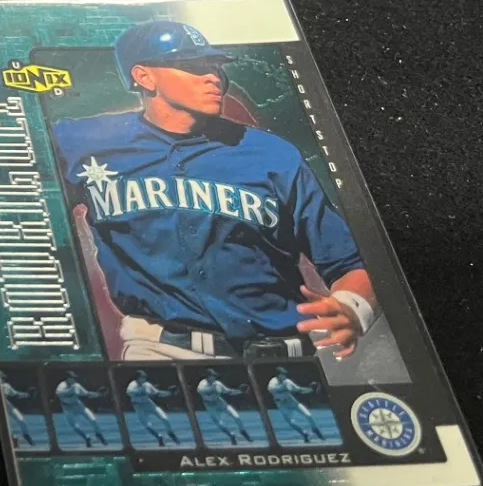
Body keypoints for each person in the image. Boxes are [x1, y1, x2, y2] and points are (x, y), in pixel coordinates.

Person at [52, 19, 379, 363]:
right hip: (162, 350)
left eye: (215, 66)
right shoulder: (82, 141)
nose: (213, 77)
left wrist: (352, 306)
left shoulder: (272, 154)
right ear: (144, 76)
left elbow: (349, 263)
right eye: (193, 66)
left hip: (283, 358)